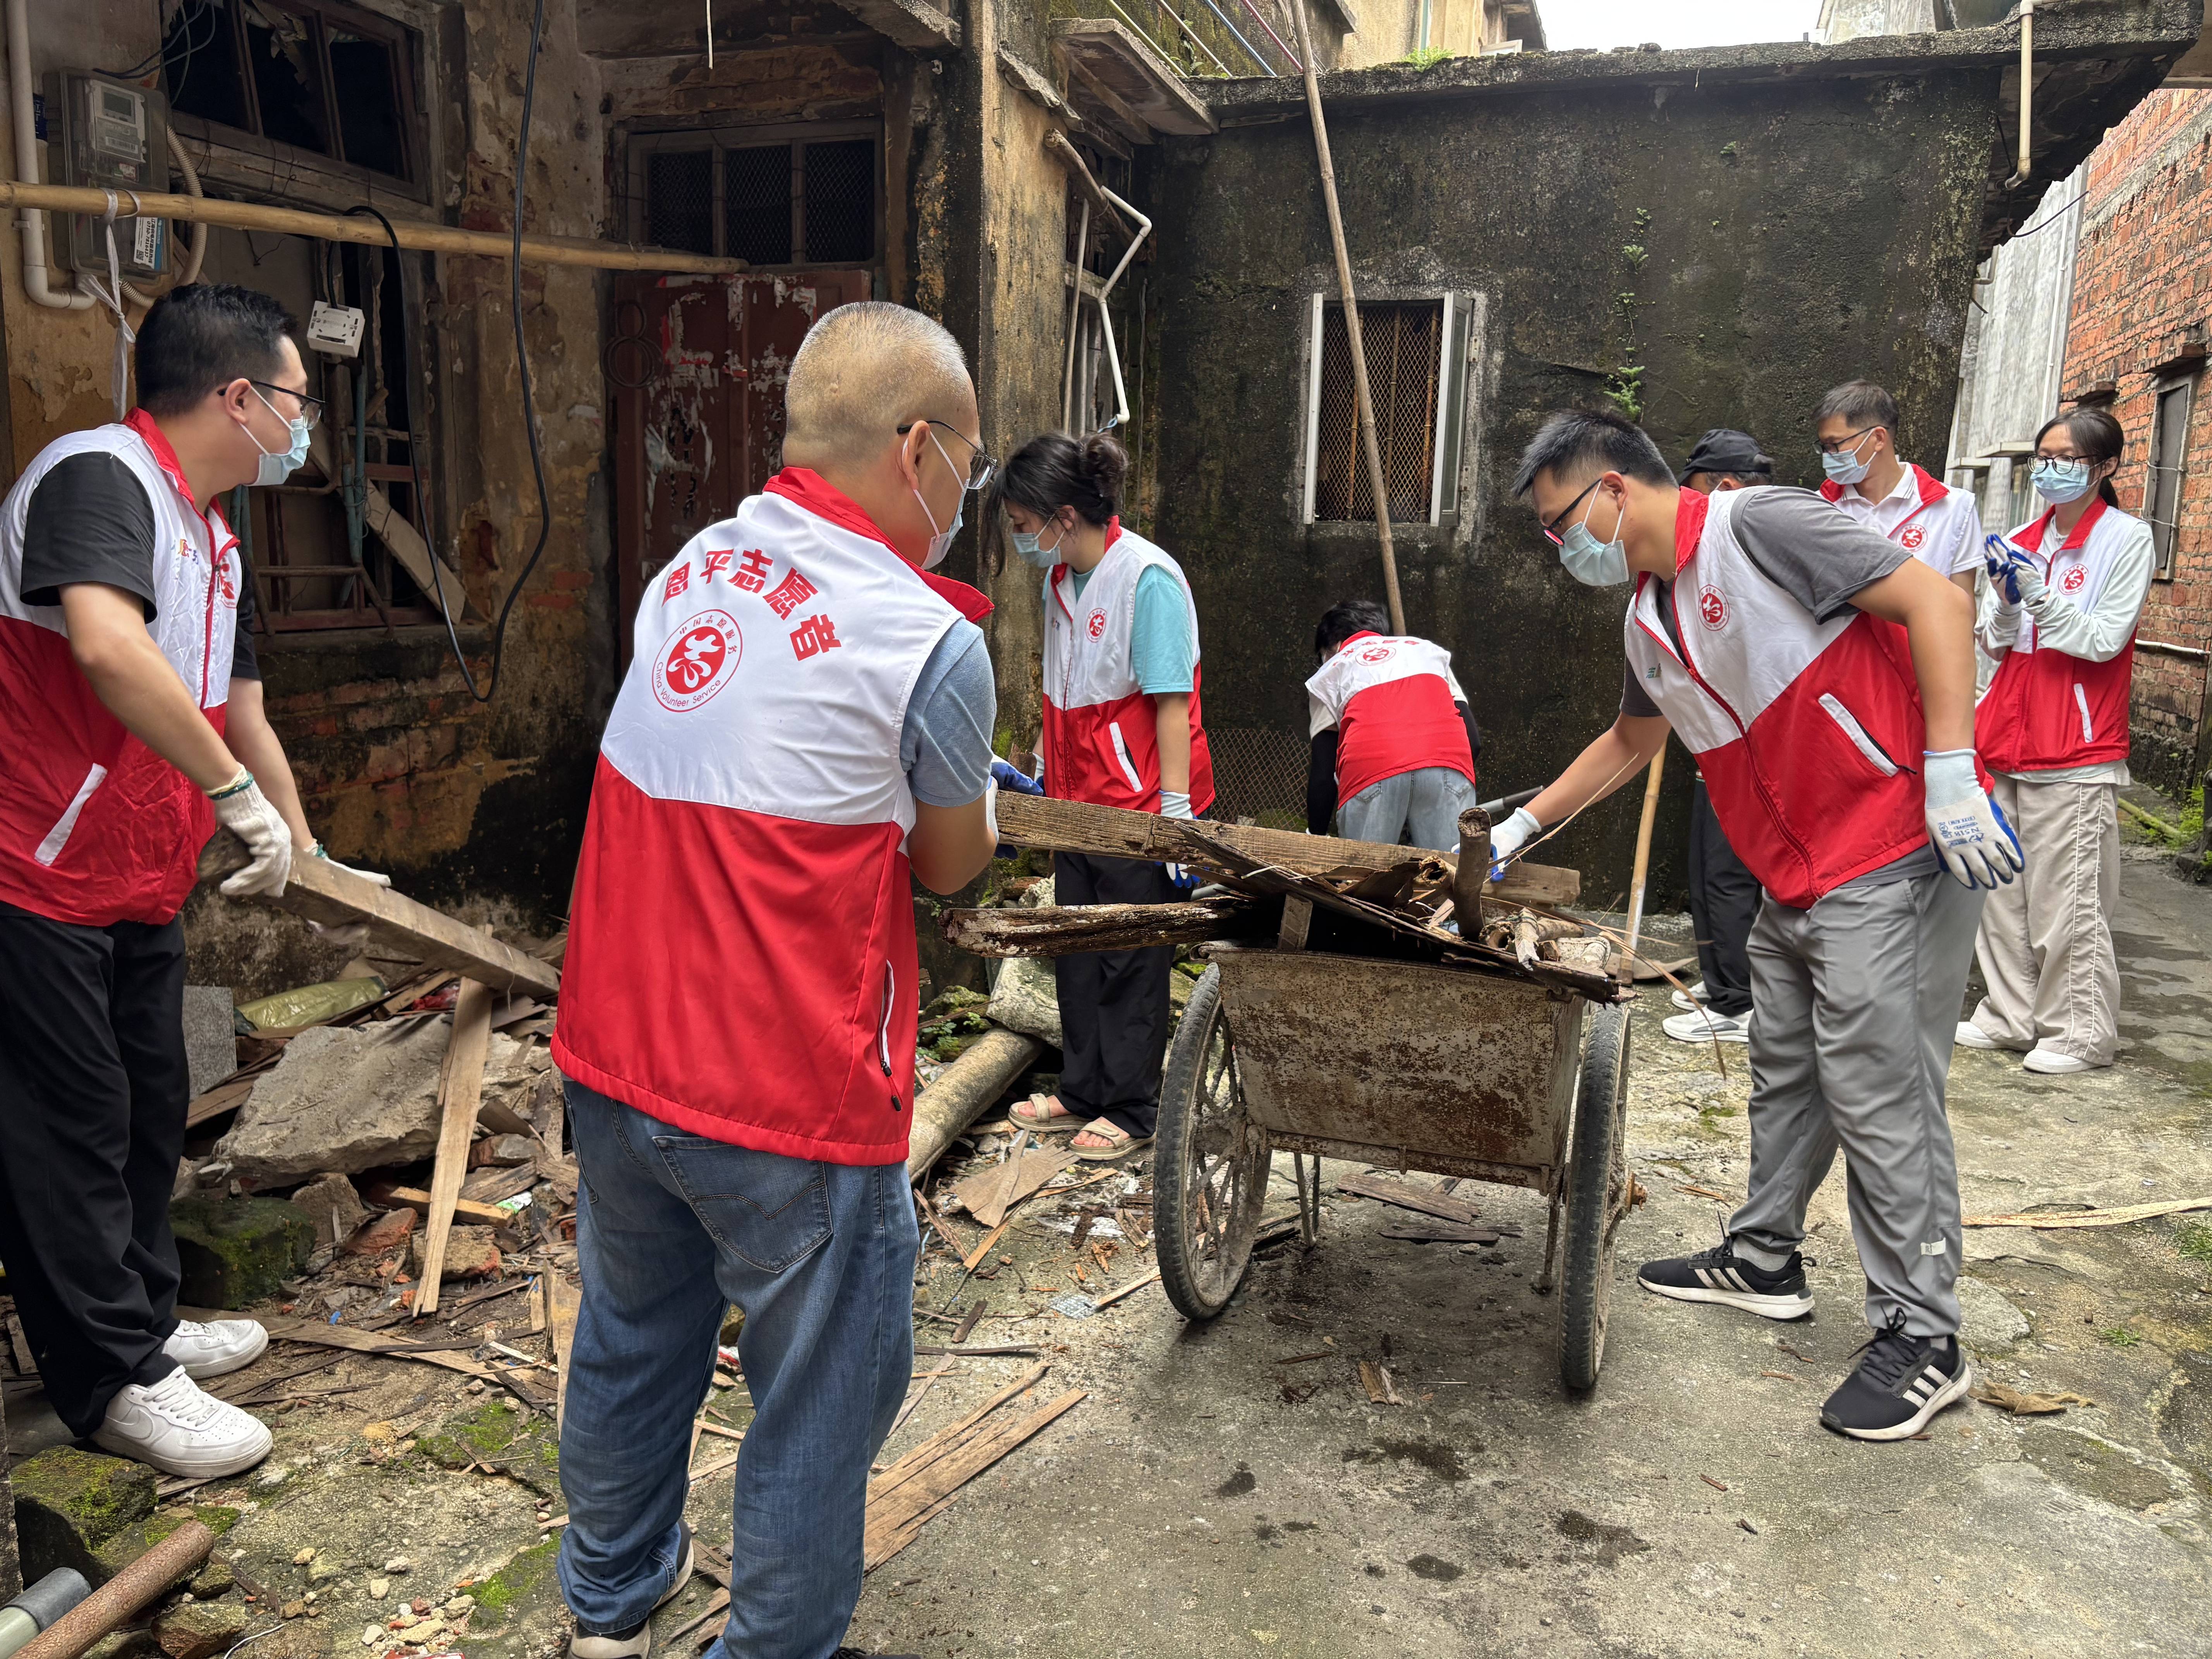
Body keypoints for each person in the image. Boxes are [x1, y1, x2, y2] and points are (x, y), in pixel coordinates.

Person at [551, 302, 1000, 1659]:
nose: (968, 493)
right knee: (820, 1398)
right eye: (969, 464)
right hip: (784, 1096)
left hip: (617, 1061)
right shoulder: (927, 640)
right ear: (919, 449)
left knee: (633, 1342)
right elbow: (948, 869)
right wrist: (977, 790)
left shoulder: (688, 569)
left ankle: (607, 1620)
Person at [1491, 408, 2021, 1442]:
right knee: (1786, 1065)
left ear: (1614, 492)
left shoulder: (1759, 527)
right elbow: (1630, 740)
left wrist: (1952, 766)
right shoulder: (1648, 617)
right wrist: (1522, 821)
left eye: (1561, 524)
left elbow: (1935, 602)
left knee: (1880, 1087)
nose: (1563, 550)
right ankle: (1766, 1254)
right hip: (1799, 872)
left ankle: (1925, 1335)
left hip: (1894, 840)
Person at [0, 282, 370, 1478]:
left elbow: (243, 714)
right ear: (238, 396)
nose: (304, 426)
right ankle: (110, 1382)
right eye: (298, 401)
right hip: (30, 870)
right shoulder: (97, 479)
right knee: (70, 1131)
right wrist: (228, 798)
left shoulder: (211, 533)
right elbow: (107, 646)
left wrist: (300, 846)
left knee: (152, 1103)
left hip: (133, 878)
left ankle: (147, 1321)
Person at [998, 432, 1212, 1162]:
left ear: (1062, 515)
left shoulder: (1146, 576)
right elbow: (1064, 693)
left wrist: (1176, 812)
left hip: (1140, 801)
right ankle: (1084, 1089)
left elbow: (1171, 701)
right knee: (1079, 948)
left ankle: (1131, 1105)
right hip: (1077, 802)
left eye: (1023, 524)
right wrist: (1035, 771)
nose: (1019, 538)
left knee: (1129, 954)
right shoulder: (1059, 581)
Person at [1958, 407, 2152, 1075]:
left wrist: (2039, 596)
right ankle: (2010, 1016)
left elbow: (2103, 641)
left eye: (2067, 457)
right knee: (1997, 891)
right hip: (2005, 735)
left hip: (2074, 746)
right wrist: (2007, 603)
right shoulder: (2018, 535)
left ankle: (2078, 1030)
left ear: (2104, 467)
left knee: (2066, 901)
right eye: (2044, 455)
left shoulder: (2125, 540)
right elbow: (1991, 643)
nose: (2050, 468)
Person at [1664, 431, 1772, 1048]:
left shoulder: (1758, 547)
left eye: (1694, 490)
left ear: (1724, 488)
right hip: (1719, 746)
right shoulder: (1710, 551)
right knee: (1708, 871)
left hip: (1754, 748)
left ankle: (1740, 1003)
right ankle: (1720, 978)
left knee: (1732, 875)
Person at [1304, 597, 1480, 850]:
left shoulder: (1331, 672)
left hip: (1371, 772)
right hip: (1447, 766)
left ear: (1335, 645)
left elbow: (1323, 773)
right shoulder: (1427, 652)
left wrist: (1315, 838)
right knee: (1448, 880)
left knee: (1365, 881)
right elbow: (1472, 741)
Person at [1814, 380, 1981, 598]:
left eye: (1835, 444)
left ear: (1878, 438)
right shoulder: (1818, 508)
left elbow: (1962, 605)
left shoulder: (1953, 507)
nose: (1829, 456)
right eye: (1824, 447)